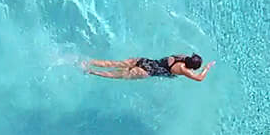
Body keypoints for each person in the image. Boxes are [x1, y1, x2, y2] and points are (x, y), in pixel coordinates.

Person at [81, 53, 211, 81]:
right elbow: (199, 78)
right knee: (116, 74)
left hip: (144, 61)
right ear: (192, 67)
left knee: (113, 63)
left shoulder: (180, 56)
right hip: (147, 71)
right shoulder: (183, 69)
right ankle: (90, 71)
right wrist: (207, 68)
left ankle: (87, 61)